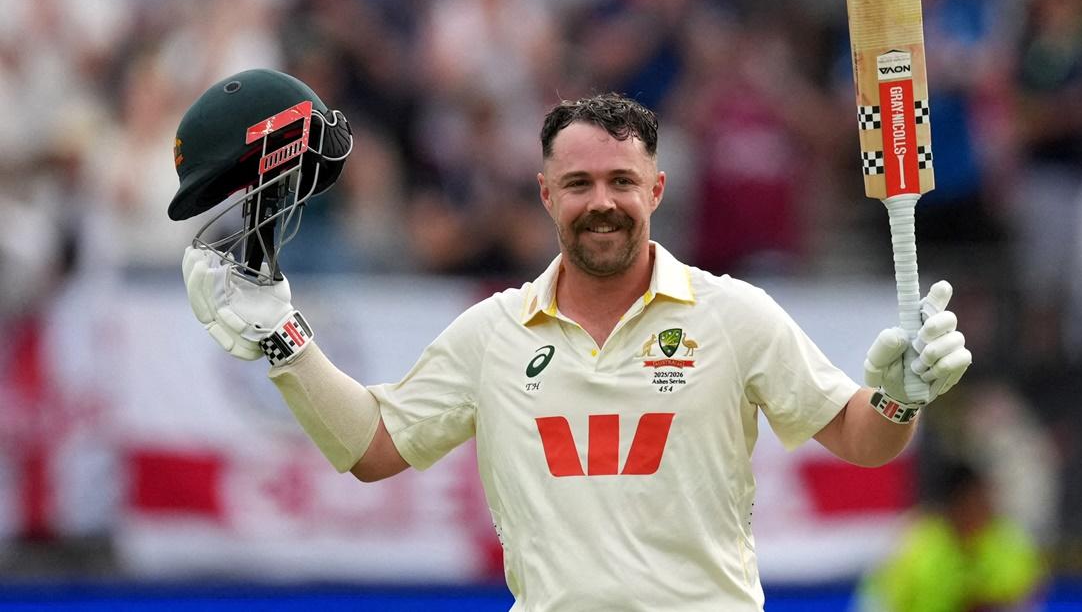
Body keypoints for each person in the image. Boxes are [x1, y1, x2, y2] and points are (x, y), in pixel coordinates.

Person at [178, 89, 972, 612]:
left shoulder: (733, 314)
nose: (604, 203)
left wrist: (901, 394)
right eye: (581, 182)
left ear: (656, 190)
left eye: (623, 182)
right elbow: (372, 448)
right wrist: (285, 343)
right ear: (546, 193)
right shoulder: (494, 331)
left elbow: (864, 438)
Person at [855, 461, 1046, 612]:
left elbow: (1026, 597)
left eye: (985, 500)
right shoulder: (915, 545)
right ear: (954, 504)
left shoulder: (1009, 542)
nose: (984, 509)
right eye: (973, 501)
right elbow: (879, 602)